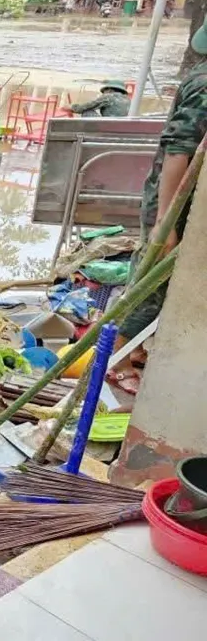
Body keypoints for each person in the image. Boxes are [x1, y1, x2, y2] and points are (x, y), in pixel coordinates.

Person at [108, 23, 207, 394]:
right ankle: (116, 359)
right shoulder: (204, 85)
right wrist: (166, 220)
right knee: (151, 282)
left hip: (192, 205)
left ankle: (136, 349)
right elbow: (179, 151)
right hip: (176, 203)